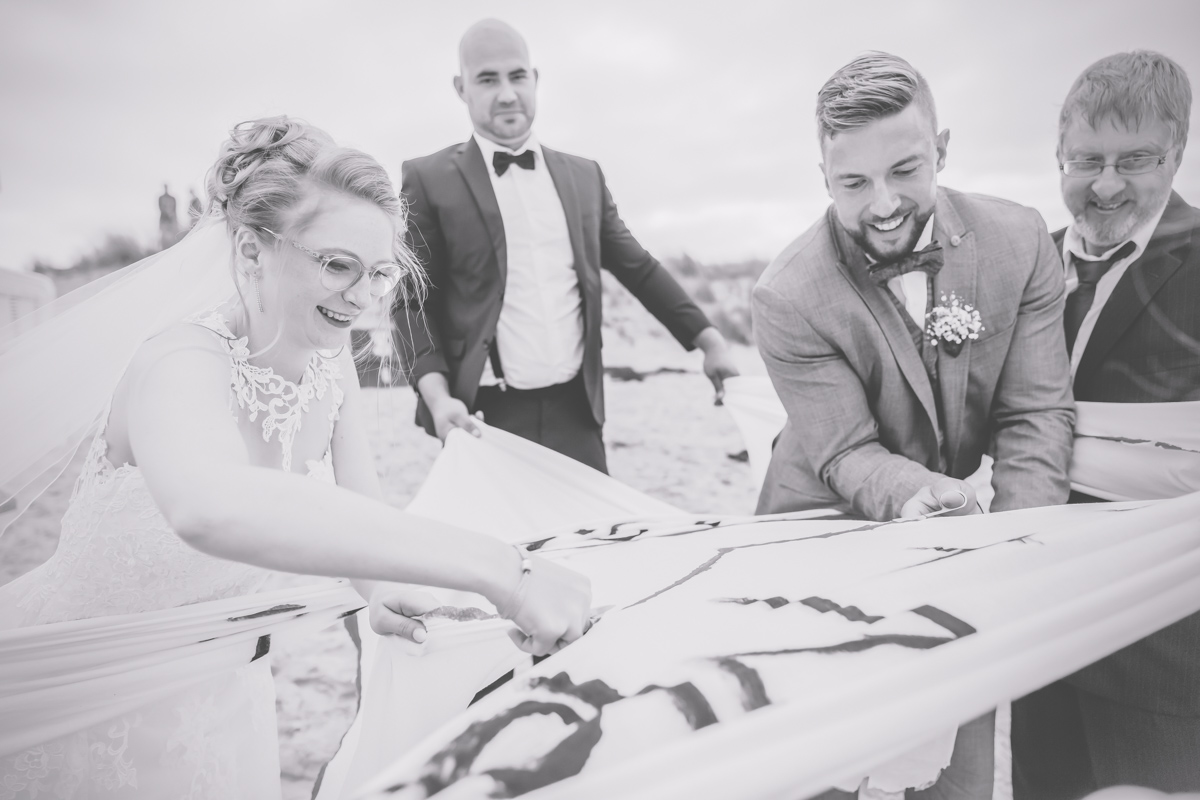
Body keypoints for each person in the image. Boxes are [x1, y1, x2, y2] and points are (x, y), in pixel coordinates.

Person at [0, 116, 592, 799]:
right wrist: (502, 571)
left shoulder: (328, 361)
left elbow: (362, 509)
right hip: (67, 698)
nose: (364, 298)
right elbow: (210, 507)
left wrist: (385, 592)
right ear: (251, 250)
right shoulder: (178, 361)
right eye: (338, 265)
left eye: (380, 273)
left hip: (219, 698)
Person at [752, 53, 1075, 798]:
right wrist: (917, 494)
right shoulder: (785, 295)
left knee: (953, 770)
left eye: (905, 169)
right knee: (827, 764)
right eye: (853, 184)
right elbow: (846, 450)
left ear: (944, 149)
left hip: (961, 540)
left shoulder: (1020, 240)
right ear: (824, 178)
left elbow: (1033, 413)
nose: (885, 203)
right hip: (818, 525)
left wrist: (1014, 550)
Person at [395, 19, 739, 473]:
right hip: (481, 416)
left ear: (535, 79)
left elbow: (638, 267)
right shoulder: (428, 178)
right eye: (487, 79)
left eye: (517, 76)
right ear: (462, 88)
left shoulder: (584, 176)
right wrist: (437, 397)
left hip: (578, 415)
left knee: (596, 543)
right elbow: (412, 303)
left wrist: (709, 341)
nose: (506, 93)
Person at [1011, 51, 1200, 798]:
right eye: (1086, 160)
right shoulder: (1026, 265)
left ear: (1178, 153)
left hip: (1164, 647)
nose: (1108, 183)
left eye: (1137, 159)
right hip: (1039, 629)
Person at [157, 182, 178, 248]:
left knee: (173, 236)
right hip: (164, 219)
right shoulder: (161, 198)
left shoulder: (172, 198)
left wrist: (174, 218)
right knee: (163, 236)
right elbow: (160, 208)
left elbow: (175, 209)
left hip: (171, 220)